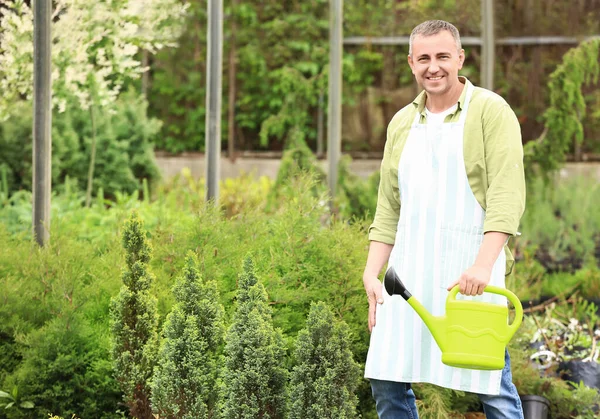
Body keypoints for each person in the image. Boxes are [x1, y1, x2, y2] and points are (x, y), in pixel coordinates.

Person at [362, 20, 526, 418]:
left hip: (468, 272)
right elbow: (389, 207)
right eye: (423, 58)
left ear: (460, 59)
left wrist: (483, 265)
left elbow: (507, 196)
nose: (432, 67)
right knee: (386, 379)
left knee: (491, 384)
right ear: (411, 63)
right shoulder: (402, 122)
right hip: (407, 276)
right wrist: (371, 272)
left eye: (442, 57)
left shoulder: (490, 111)